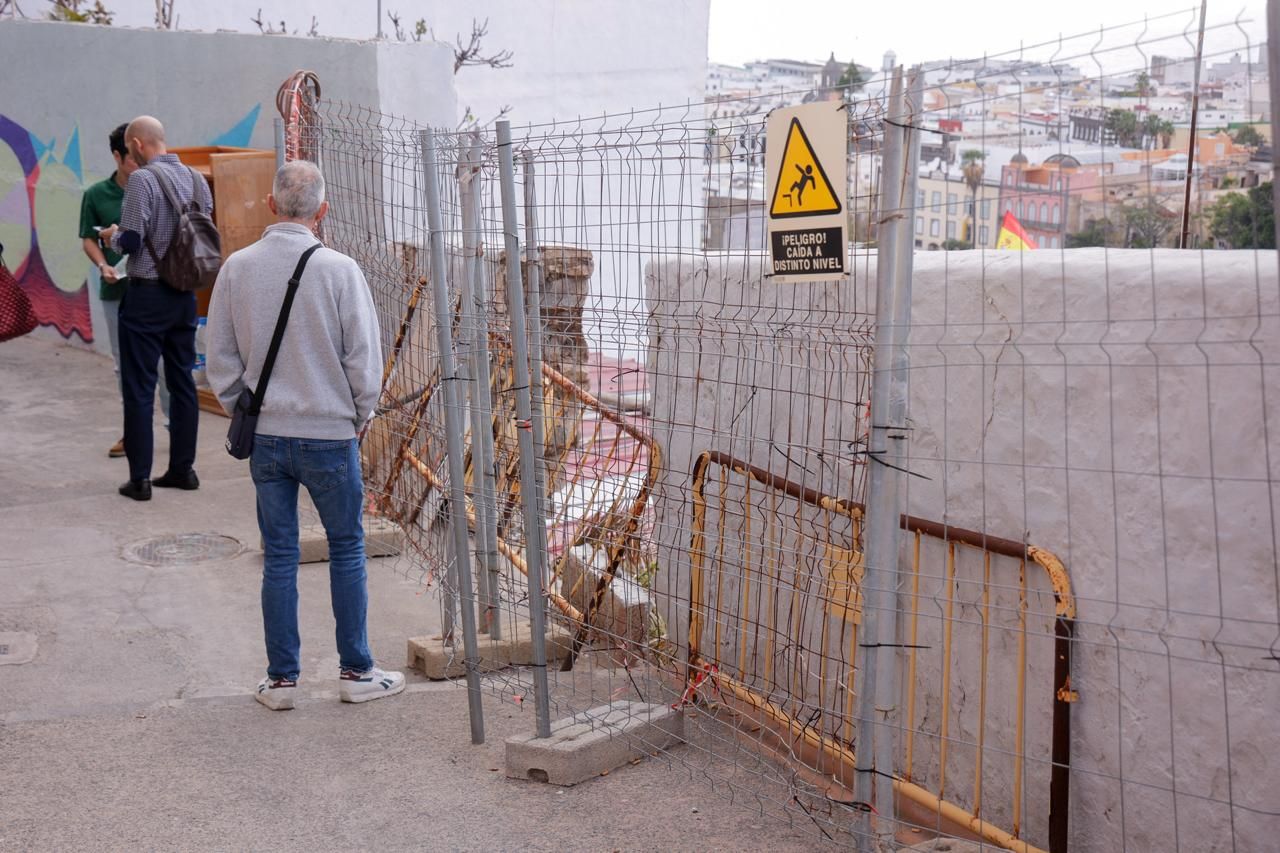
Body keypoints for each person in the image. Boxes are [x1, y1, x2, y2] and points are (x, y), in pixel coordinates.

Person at [206, 160, 403, 710]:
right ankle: (356, 671)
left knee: (281, 555)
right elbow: (363, 359)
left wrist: (241, 408)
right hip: (330, 433)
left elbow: (218, 357)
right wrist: (359, 414)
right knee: (346, 548)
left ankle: (282, 680)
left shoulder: (237, 269)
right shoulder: (341, 270)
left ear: (271, 205)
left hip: (266, 436)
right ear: (323, 210)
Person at [99, 116, 204, 501]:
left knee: (140, 386)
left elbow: (131, 241)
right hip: (184, 294)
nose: (129, 156)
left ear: (139, 144)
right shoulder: (193, 177)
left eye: (129, 149)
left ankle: (139, 479)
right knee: (182, 381)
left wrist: (112, 236)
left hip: (147, 295)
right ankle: (183, 470)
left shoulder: (142, 180)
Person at [79, 122, 170, 459]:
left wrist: (117, 236)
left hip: (153, 289)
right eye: (130, 158)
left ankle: (175, 426)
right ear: (119, 155)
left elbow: (134, 239)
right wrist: (103, 264)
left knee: (163, 363)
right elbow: (88, 237)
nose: (137, 163)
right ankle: (135, 432)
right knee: (125, 367)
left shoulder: (154, 186)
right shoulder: (97, 194)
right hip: (117, 292)